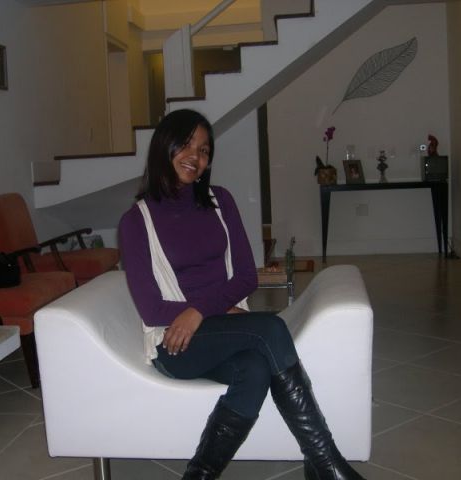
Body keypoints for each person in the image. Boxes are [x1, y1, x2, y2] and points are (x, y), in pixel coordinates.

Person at [118, 109, 366, 480]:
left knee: (254, 367)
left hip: (217, 328)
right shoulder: (136, 221)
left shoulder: (220, 201)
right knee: (270, 329)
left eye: (204, 150)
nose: (195, 156)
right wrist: (203, 312)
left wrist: (201, 311)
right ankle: (327, 466)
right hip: (175, 342)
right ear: (163, 147)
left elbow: (247, 277)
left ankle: (199, 475)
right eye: (186, 145)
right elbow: (152, 309)